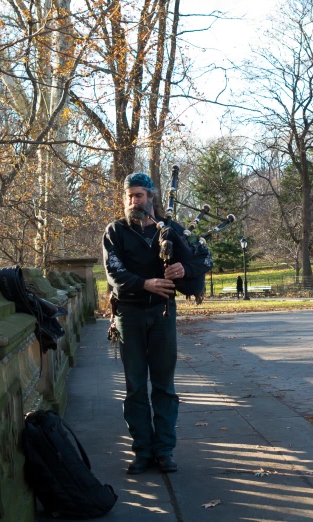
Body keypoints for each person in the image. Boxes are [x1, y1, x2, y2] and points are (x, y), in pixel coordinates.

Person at [103, 173, 210, 475]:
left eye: (139, 195)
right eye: (129, 196)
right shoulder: (116, 231)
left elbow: (206, 258)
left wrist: (183, 267)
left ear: (151, 197)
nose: (134, 201)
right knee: (135, 387)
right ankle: (142, 451)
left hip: (163, 314)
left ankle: (164, 450)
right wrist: (146, 283)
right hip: (129, 315)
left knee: (164, 386)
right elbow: (114, 273)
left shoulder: (171, 229)